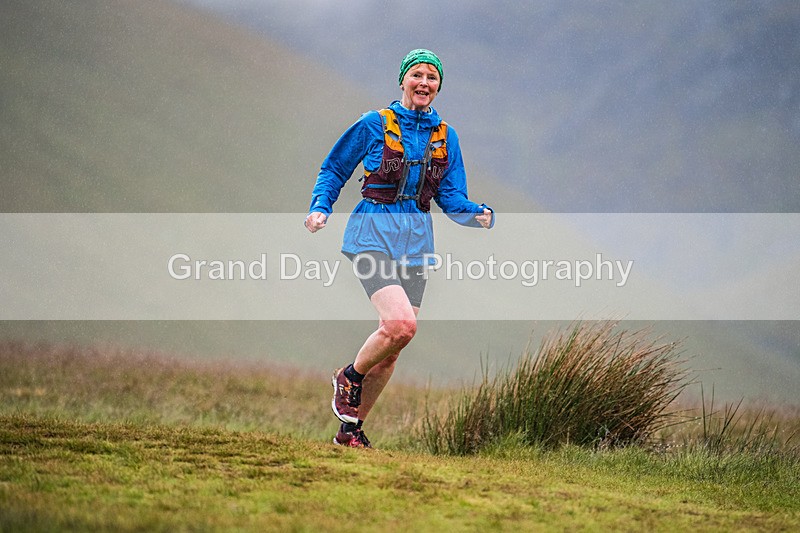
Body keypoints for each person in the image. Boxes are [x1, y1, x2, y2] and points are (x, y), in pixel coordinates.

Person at [305, 49, 494, 448]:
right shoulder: (373, 124)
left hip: (416, 242)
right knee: (400, 326)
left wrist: (476, 213)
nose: (424, 83)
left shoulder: (447, 135)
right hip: (371, 234)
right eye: (417, 75)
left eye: (432, 78)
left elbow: (451, 196)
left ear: (439, 86)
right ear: (403, 80)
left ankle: (349, 433)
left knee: (392, 350)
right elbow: (334, 168)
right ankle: (349, 377)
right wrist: (321, 208)